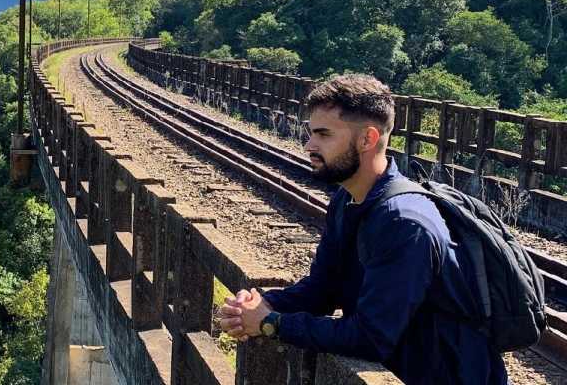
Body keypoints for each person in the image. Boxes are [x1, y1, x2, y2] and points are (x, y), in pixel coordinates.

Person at [216, 74, 507, 384]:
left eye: (324, 134)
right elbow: (323, 289)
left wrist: (272, 324)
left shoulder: (405, 224)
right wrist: (264, 305)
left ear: (367, 139)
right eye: (311, 133)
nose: (309, 145)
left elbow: (371, 337)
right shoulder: (347, 200)